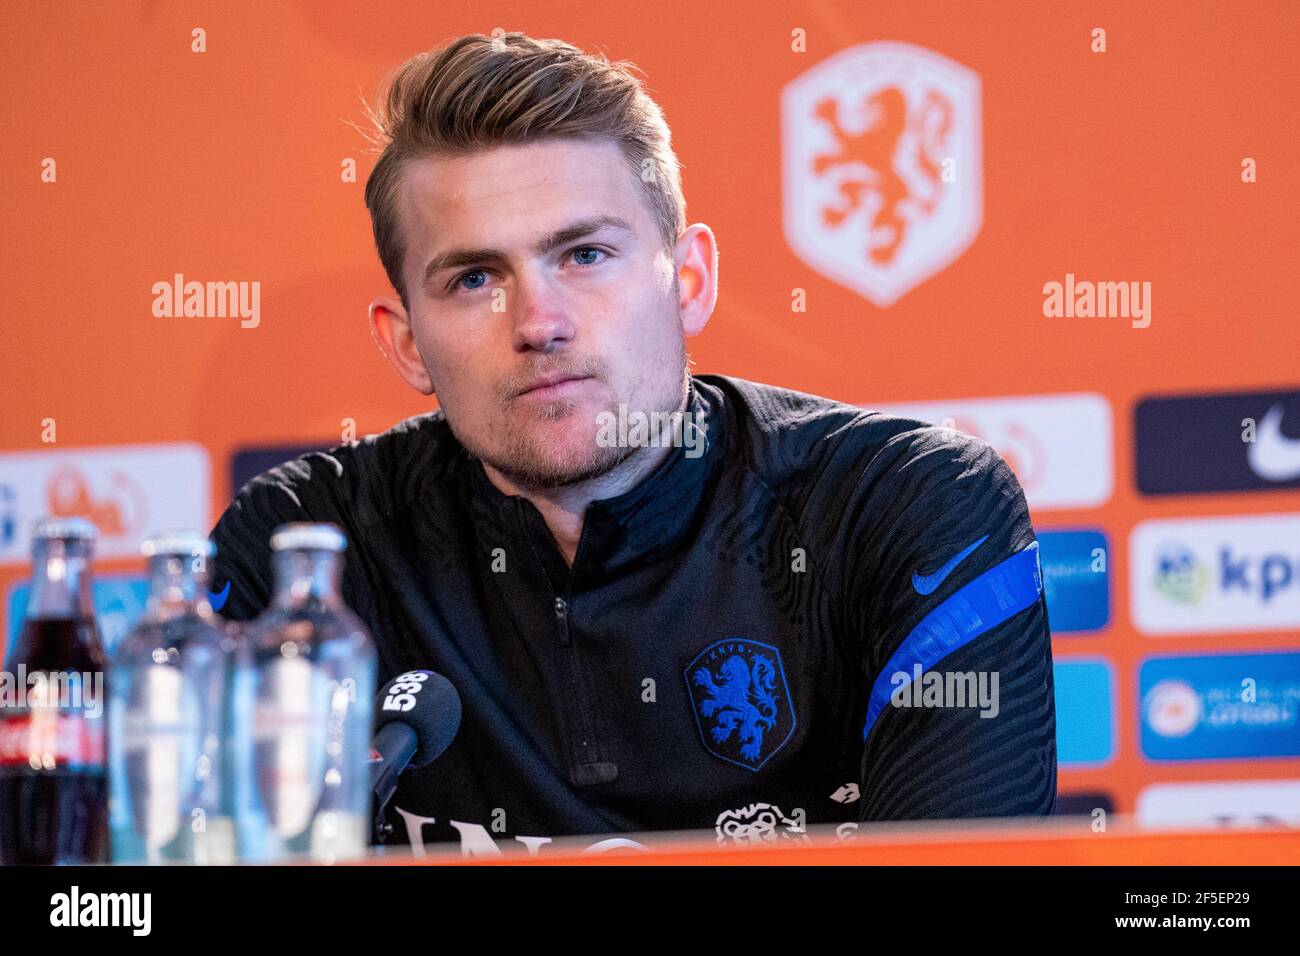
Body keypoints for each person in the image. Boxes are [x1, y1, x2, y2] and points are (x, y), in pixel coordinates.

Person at [210, 31, 1056, 850]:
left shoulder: (906, 509)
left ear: (689, 282)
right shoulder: (302, 548)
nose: (539, 323)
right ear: (404, 343)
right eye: (475, 279)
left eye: (583, 255)